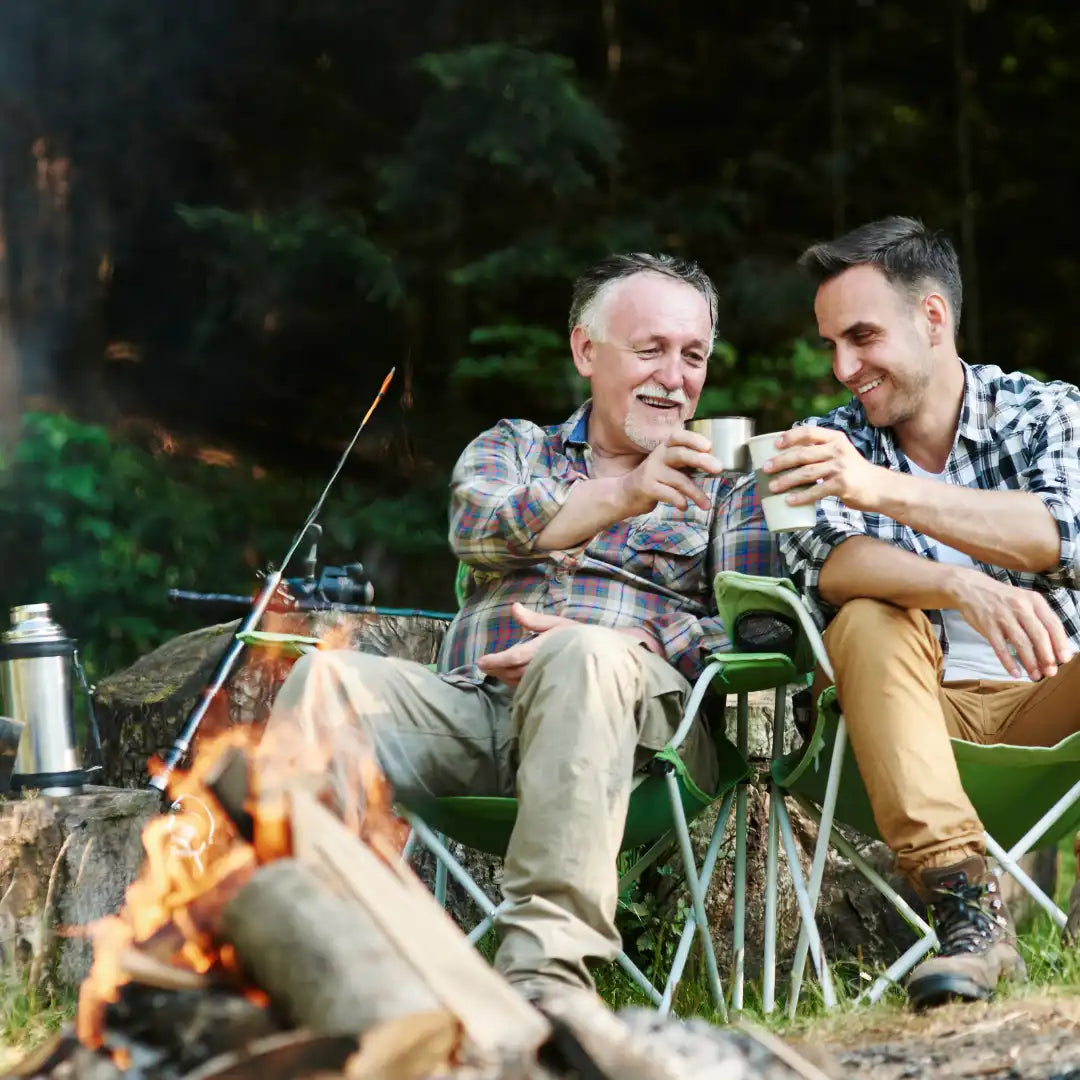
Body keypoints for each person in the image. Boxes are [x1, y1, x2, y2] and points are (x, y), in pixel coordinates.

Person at [263, 252, 774, 1008]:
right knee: (323, 681)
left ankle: (544, 982)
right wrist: (626, 493)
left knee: (584, 657)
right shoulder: (513, 447)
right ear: (584, 351)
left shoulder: (731, 487)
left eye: (692, 355)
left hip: (647, 737)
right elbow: (479, 529)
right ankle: (308, 968)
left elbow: (755, 630)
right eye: (651, 350)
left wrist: (634, 650)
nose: (675, 377)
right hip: (478, 713)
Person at [767, 215, 1080, 1008]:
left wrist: (883, 491)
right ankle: (969, 916)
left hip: (1053, 706)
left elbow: (1055, 533)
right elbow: (828, 566)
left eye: (862, 337)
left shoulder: (1049, 413)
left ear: (933, 318)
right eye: (832, 344)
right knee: (867, 614)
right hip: (904, 716)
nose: (843, 366)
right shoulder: (821, 445)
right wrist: (960, 584)